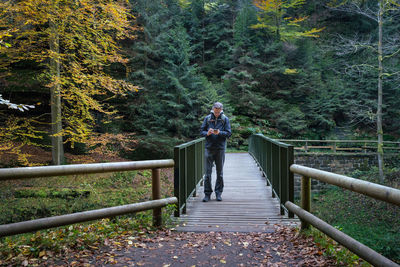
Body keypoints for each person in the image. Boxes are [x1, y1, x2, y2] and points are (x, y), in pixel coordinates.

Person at [200, 102, 231, 202]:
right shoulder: (207, 118)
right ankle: (207, 194)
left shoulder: (225, 119)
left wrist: (220, 133)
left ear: (221, 110)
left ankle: (218, 193)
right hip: (209, 148)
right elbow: (201, 132)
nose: (217, 113)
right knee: (207, 173)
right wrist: (207, 133)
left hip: (220, 148)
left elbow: (229, 133)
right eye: (215, 111)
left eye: (218, 112)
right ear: (213, 109)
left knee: (220, 173)